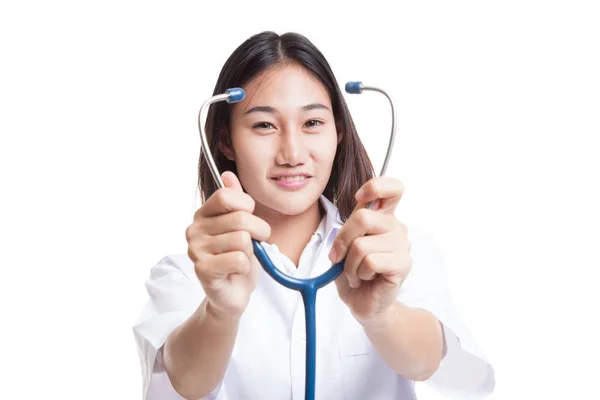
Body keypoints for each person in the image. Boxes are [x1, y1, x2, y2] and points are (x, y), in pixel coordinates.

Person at [132, 31, 495, 400]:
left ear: (338, 131)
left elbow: (456, 374)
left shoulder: (394, 250)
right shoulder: (186, 274)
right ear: (226, 141)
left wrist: (382, 315)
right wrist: (219, 312)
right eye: (264, 126)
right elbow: (181, 386)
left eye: (312, 124)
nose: (292, 153)